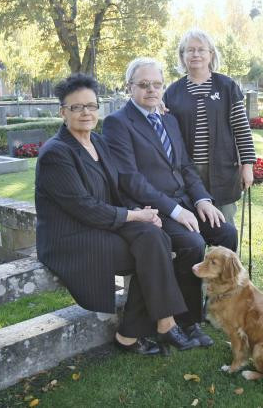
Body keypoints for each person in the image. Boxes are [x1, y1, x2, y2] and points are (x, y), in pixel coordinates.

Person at [35, 73, 199, 355]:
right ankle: (159, 324)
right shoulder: (56, 153)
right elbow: (84, 207)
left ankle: (136, 333)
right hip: (71, 237)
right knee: (151, 250)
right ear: (63, 112)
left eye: (90, 106)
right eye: (76, 107)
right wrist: (135, 217)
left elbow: (113, 190)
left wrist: (142, 212)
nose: (85, 113)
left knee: (154, 236)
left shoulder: (97, 143)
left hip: (101, 224)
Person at [102, 58, 238, 347]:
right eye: (143, 85)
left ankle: (217, 303)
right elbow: (130, 179)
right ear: (129, 88)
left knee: (225, 232)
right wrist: (174, 210)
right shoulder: (118, 123)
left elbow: (185, 166)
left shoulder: (168, 118)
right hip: (151, 210)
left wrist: (202, 199)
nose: (151, 90)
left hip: (185, 201)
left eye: (156, 84)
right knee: (192, 243)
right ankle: (186, 322)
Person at [163, 29, 256, 226]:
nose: (195, 54)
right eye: (190, 50)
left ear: (211, 54)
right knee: (191, 229)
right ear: (182, 56)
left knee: (224, 227)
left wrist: (247, 166)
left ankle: (227, 259)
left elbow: (242, 129)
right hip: (187, 174)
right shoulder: (172, 92)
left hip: (223, 171)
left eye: (201, 50)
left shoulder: (226, 86)